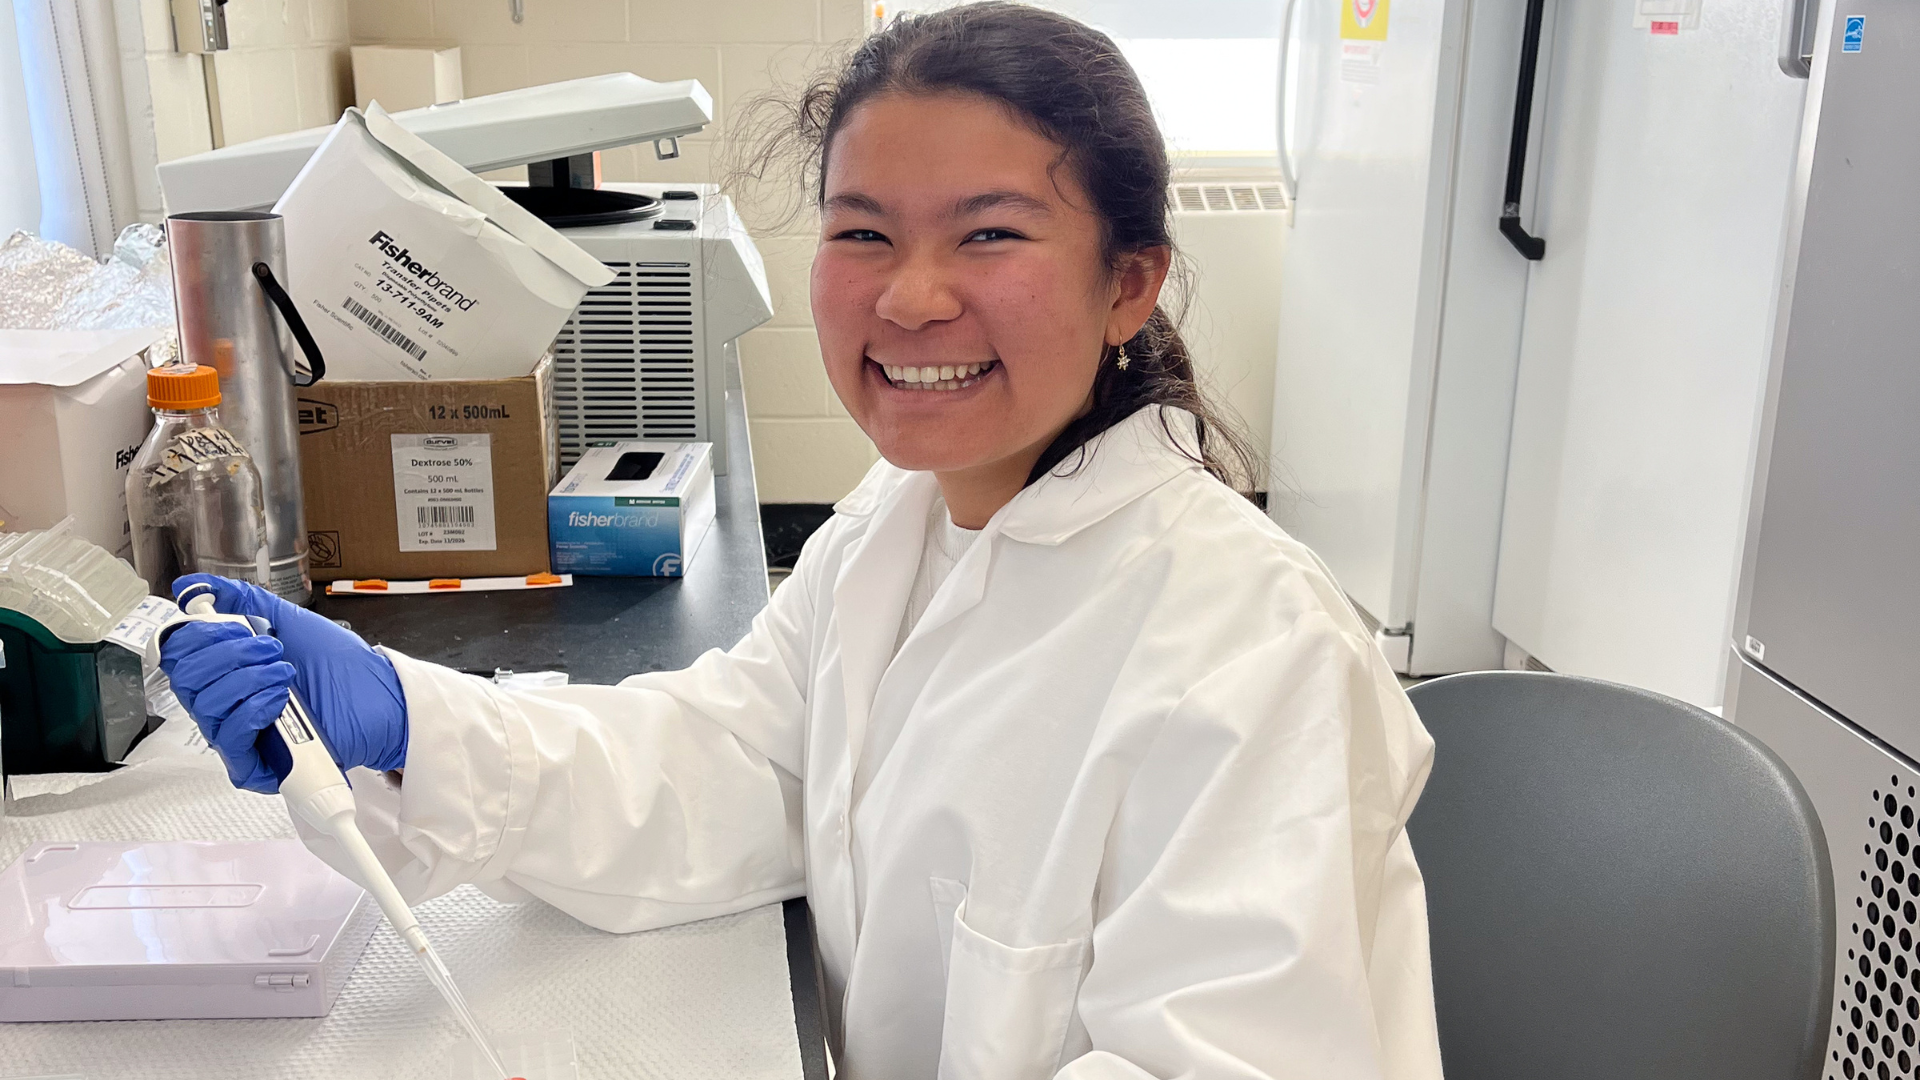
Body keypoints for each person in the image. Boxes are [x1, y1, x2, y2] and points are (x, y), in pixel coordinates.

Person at [158, 5, 1443, 1077]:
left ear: (1129, 282)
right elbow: (733, 764)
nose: (909, 295)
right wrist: (411, 719)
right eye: (862, 231)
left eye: (990, 233)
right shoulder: (897, 528)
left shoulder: (1249, 648)